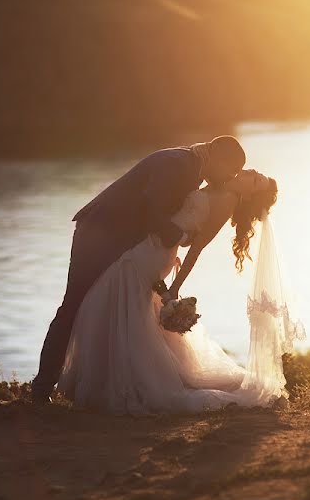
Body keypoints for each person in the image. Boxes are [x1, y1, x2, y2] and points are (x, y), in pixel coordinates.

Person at [31, 137, 246, 404]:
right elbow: (151, 208)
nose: (230, 177)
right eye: (231, 170)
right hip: (99, 234)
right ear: (216, 157)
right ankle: (41, 389)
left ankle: (95, 382)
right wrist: (174, 236)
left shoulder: (192, 168)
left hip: (120, 240)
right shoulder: (178, 164)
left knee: (104, 308)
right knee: (73, 306)